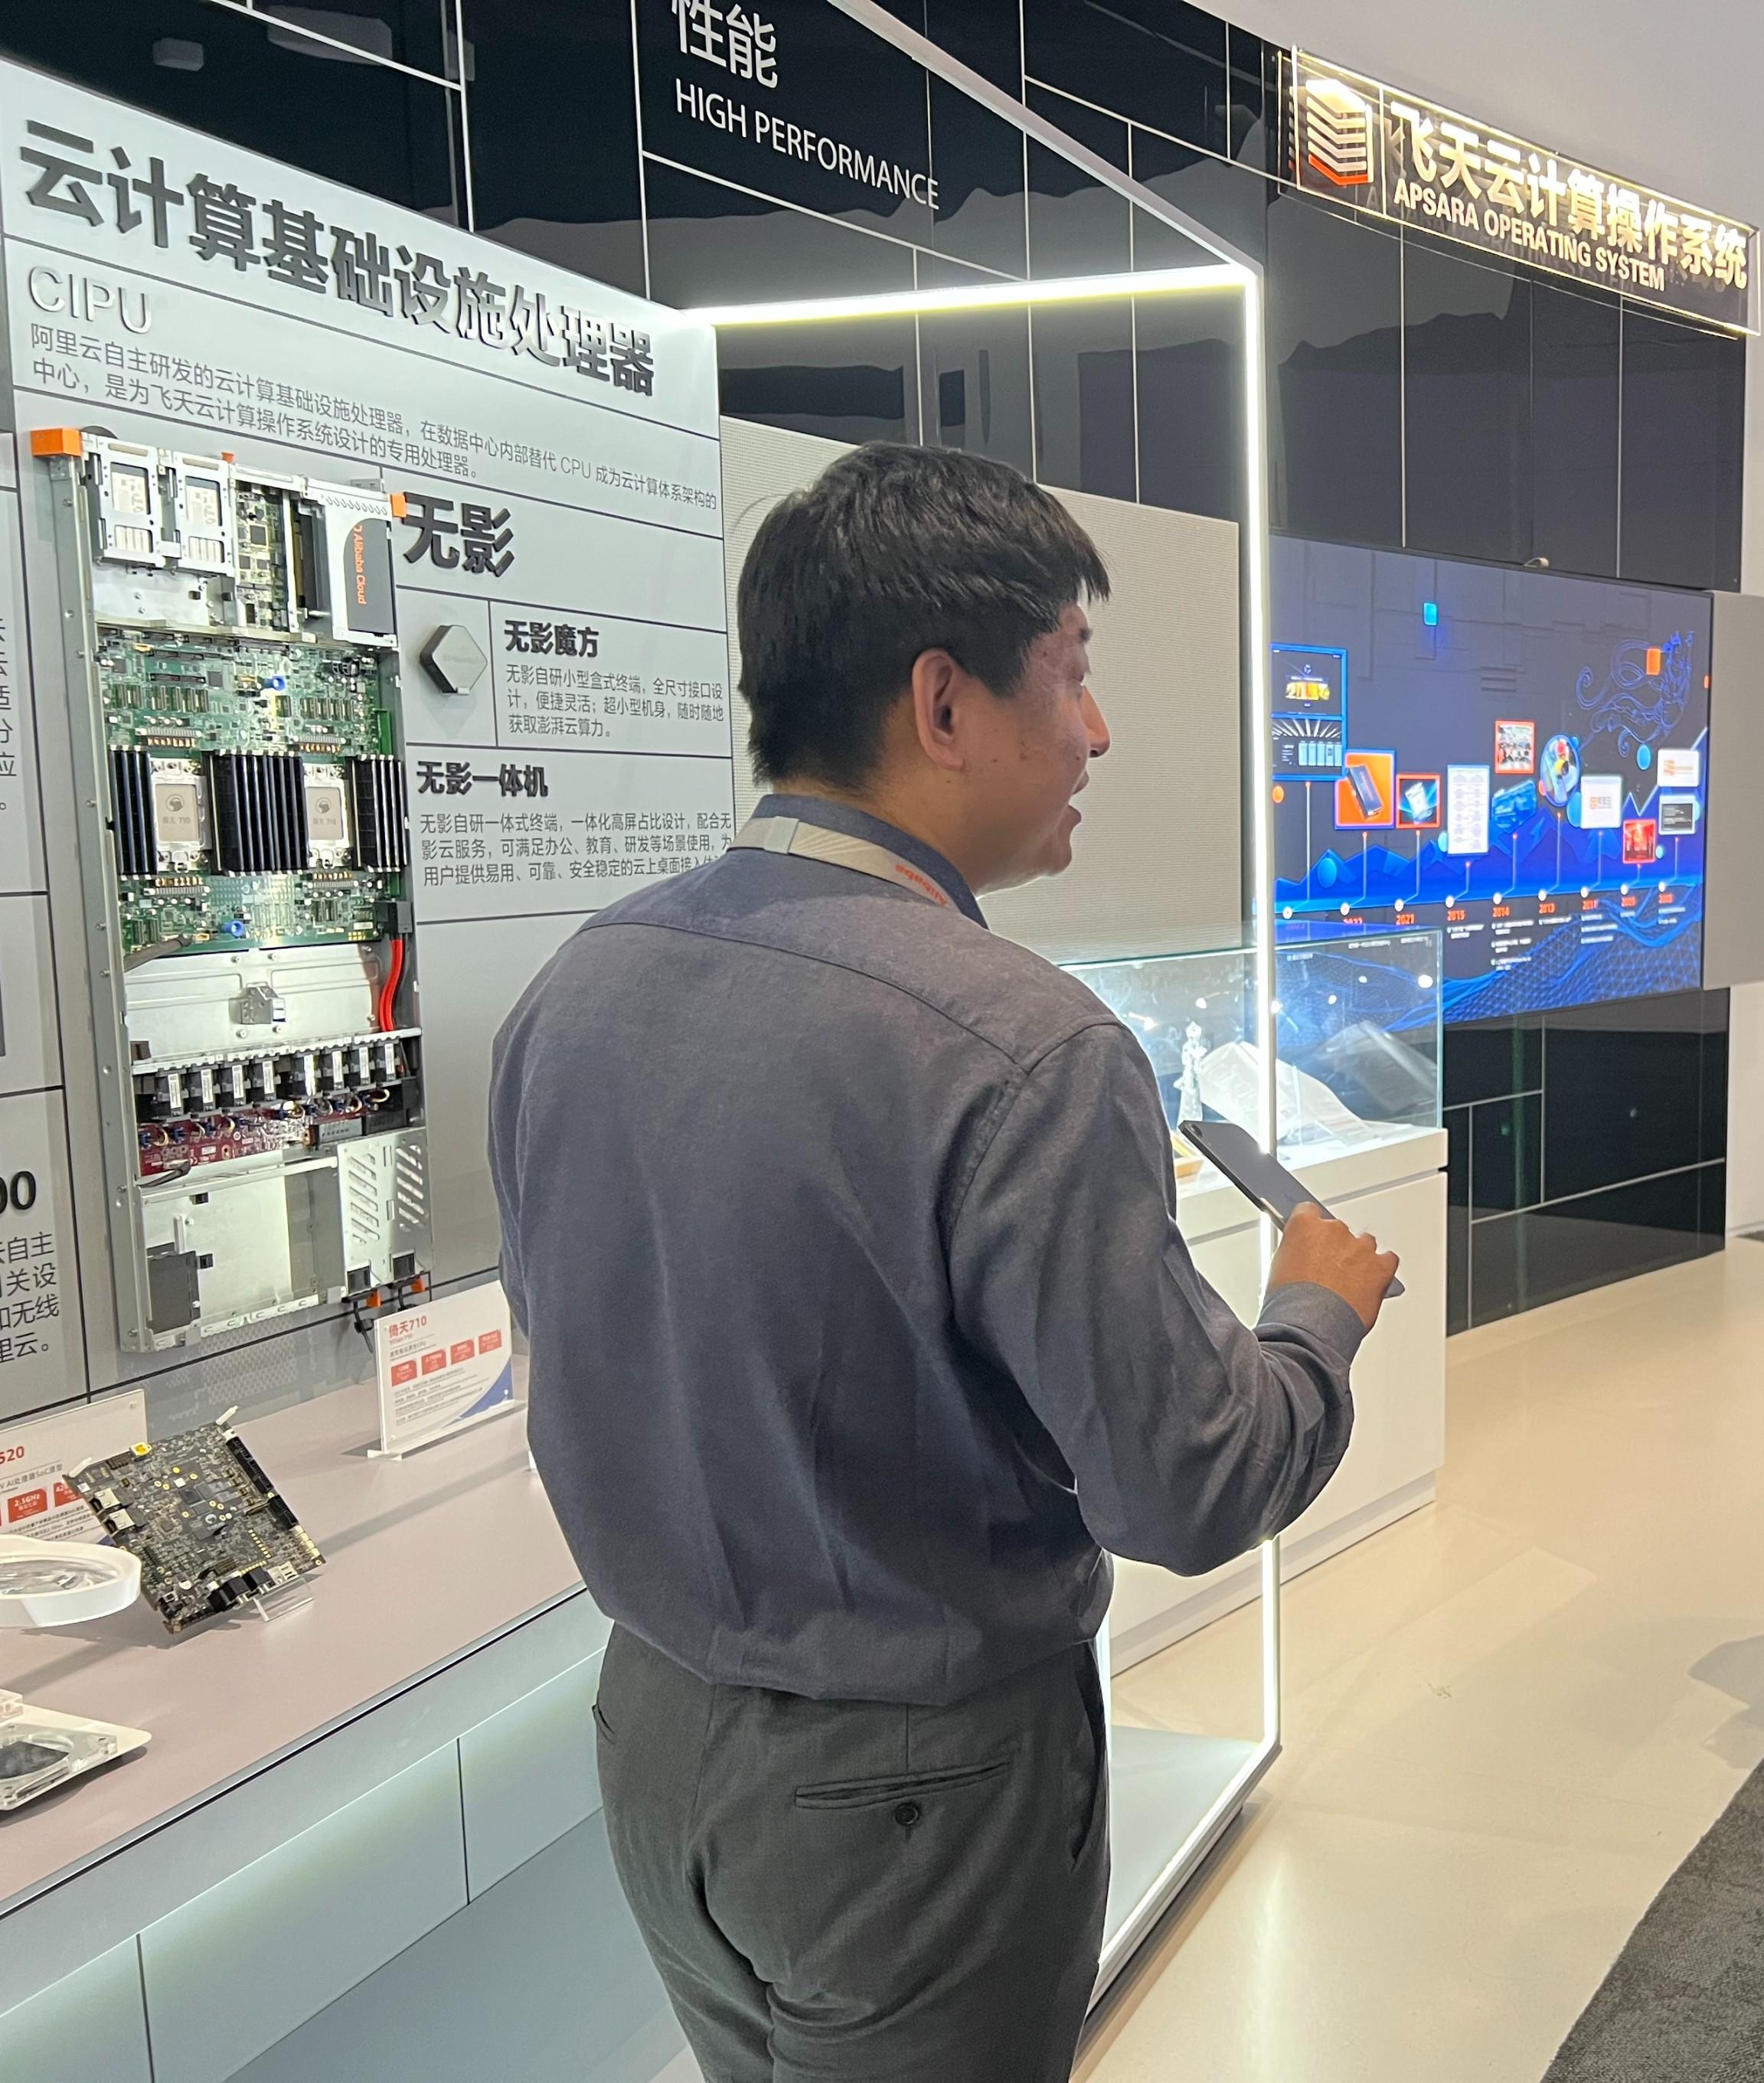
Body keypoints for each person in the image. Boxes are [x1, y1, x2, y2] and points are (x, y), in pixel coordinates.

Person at [489, 445, 1400, 2083]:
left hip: (652, 1742)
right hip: (913, 1803)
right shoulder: (1018, 1043)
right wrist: (1315, 1320)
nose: (1097, 731)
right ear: (943, 702)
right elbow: (1187, 1486)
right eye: (1071, 672)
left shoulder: (581, 987)